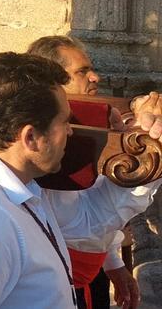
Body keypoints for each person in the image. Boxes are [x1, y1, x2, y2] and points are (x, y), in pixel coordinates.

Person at [0, 53, 162, 308]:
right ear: (30, 137)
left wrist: (146, 144)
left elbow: (91, 219)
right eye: (64, 122)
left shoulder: (5, 179)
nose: (70, 131)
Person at [27, 35, 139, 309]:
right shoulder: (44, 147)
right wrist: (146, 140)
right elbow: (90, 221)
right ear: (52, 82)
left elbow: (91, 203)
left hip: (88, 274)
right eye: (82, 71)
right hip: (59, 284)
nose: (95, 78)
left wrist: (113, 262)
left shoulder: (85, 127)